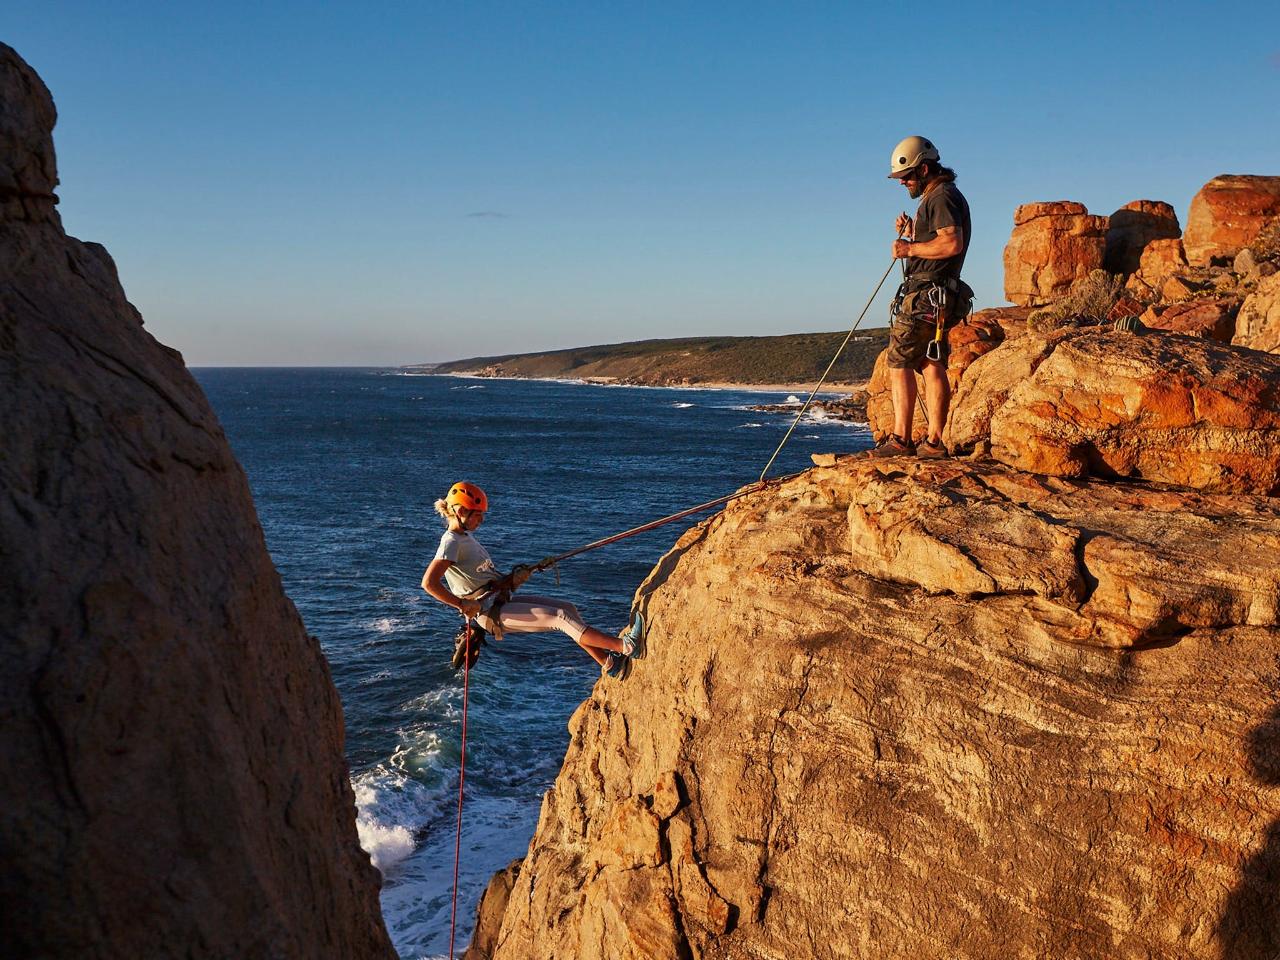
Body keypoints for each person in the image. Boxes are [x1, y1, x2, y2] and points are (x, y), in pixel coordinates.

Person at [421, 481, 645, 679]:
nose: (482, 519)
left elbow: (481, 577)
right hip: (487, 613)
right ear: (461, 511)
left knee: (568, 608)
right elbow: (429, 583)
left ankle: (610, 663)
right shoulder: (451, 541)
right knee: (561, 617)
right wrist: (461, 604)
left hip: (496, 600)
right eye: (477, 514)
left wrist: (515, 577)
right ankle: (626, 646)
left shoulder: (465, 537)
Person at [871, 135, 972, 459]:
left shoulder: (940, 197)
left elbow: (951, 243)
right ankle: (933, 443)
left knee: (899, 361)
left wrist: (908, 248)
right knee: (930, 363)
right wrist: (914, 232)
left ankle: (900, 440)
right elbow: (941, 243)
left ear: (924, 168)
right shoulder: (942, 197)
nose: (904, 184)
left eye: (906, 177)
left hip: (927, 296)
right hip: (942, 295)